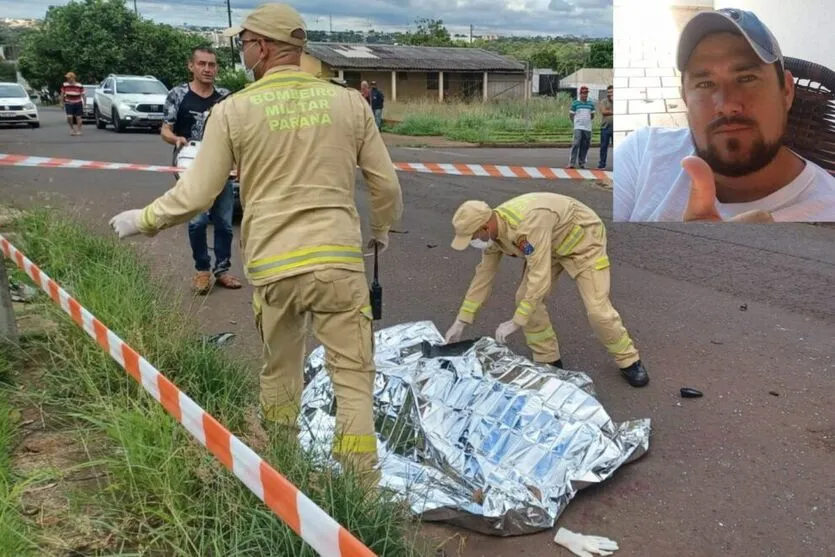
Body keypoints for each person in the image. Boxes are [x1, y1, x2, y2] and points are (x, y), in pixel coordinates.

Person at [109, 3, 403, 479]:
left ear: (262, 47)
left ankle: (282, 477)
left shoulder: (233, 110)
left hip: (274, 268)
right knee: (352, 379)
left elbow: (198, 192)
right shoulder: (349, 102)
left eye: (243, 43)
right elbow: (385, 185)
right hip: (338, 263)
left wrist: (144, 220)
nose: (240, 51)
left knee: (280, 373)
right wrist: (381, 231)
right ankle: (360, 489)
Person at [614, 8, 835, 223]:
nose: (727, 105)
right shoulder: (642, 152)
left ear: (786, 91)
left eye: (747, 78)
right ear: (685, 99)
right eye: (705, 83)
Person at [443, 193, 650, 388]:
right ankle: (548, 360)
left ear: (486, 227)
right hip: (549, 246)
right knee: (525, 299)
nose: (472, 242)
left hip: (583, 239)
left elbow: (539, 277)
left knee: (597, 310)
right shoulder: (493, 236)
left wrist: (517, 321)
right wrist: (462, 320)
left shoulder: (526, 225)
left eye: (472, 237)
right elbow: (483, 277)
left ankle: (629, 360)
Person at [162, 46, 242, 295]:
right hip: (190, 168)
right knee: (197, 222)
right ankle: (202, 270)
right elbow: (165, 129)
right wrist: (175, 139)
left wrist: (238, 161)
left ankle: (223, 270)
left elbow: (235, 133)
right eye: (202, 64)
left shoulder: (225, 97)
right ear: (192, 66)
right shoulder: (178, 94)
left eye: (212, 65)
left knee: (224, 223)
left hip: (222, 167)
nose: (208, 69)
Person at [568, 85, 595, 169]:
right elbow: (571, 114)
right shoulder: (575, 103)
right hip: (578, 126)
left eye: (586, 93)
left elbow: (592, 115)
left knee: (585, 145)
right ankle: (572, 163)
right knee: (576, 143)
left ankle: (582, 162)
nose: (585, 95)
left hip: (587, 127)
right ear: (580, 94)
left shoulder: (591, 103)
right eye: (583, 93)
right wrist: (575, 122)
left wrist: (588, 121)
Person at [597, 85, 614, 169]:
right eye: (608, 92)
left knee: (617, 148)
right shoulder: (603, 101)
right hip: (605, 128)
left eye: (611, 92)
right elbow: (603, 111)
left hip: (615, 129)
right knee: (603, 147)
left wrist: (610, 111)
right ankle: (602, 164)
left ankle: (618, 164)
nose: (609, 94)